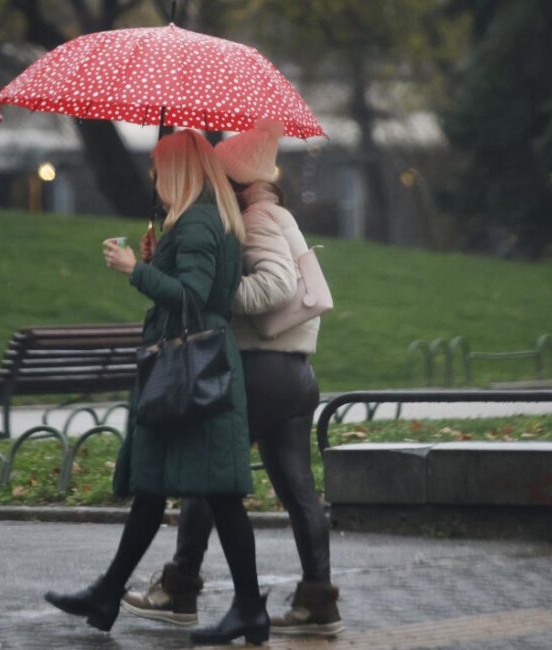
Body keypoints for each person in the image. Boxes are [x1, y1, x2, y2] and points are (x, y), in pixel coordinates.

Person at [43, 129, 269, 646]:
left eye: (159, 169)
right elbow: (203, 287)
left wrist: (136, 270)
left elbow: (189, 297)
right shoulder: (210, 218)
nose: (153, 178)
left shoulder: (195, 223)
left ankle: (250, 609)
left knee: (221, 493)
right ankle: (110, 592)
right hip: (198, 363)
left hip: (191, 367)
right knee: (155, 487)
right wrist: (156, 255)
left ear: (178, 171)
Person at [121, 119, 343, 637]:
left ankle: (180, 586)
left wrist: (215, 295)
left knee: (207, 471)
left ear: (237, 181)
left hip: (261, 368)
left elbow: (275, 285)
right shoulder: (274, 213)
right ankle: (318, 601)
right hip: (294, 373)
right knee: (297, 489)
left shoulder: (259, 216)